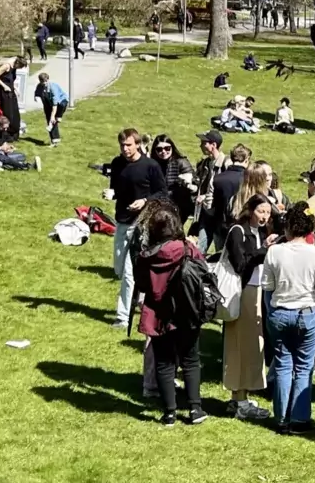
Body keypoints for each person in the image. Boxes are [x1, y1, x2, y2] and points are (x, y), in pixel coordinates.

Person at [134, 205, 208, 426]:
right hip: (187, 311)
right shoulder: (187, 248)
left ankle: (169, 413)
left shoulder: (146, 256)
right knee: (191, 360)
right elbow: (203, 272)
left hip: (158, 313)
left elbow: (142, 285)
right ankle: (195, 408)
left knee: (164, 364)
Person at [263, 202, 315, 433]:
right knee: (303, 367)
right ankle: (300, 419)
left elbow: (268, 285)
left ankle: (281, 419)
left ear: (288, 228)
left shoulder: (274, 251)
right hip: (307, 313)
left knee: (282, 365)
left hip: (281, 312)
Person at [107, 128, 168, 328]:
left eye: (129, 145)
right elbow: (116, 187)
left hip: (142, 222)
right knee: (118, 267)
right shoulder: (117, 164)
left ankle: (123, 317)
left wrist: (144, 201)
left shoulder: (150, 166)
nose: (125, 149)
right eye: (122, 145)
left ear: (138, 144)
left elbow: (162, 192)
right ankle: (141, 297)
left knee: (127, 272)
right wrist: (111, 193)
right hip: (122, 220)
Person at [223, 193, 277, 420]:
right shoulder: (238, 231)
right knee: (244, 345)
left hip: (256, 291)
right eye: (260, 211)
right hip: (243, 292)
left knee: (251, 345)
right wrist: (263, 250)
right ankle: (240, 399)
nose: (264, 216)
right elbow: (240, 263)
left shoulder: (258, 231)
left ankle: (239, 397)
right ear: (250, 210)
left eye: (267, 212)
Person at [203, 144, 250, 253]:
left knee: (221, 258)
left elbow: (208, 204)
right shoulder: (249, 179)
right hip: (243, 227)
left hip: (220, 226)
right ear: (247, 159)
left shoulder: (217, 178)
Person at [151, 135, 197, 222]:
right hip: (159, 204)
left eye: (167, 148)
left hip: (179, 205)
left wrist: (186, 182)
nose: (163, 151)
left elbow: (193, 183)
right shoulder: (153, 164)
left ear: (172, 148)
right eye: (159, 149)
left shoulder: (181, 162)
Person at [0, 54, 26, 142]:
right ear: (17, 63)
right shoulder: (6, 66)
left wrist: (16, 89)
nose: (19, 68)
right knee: (8, 113)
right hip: (4, 92)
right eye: (20, 67)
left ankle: (15, 134)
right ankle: (6, 136)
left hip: (11, 91)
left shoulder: (14, 67)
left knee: (15, 114)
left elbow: (11, 81)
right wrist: (4, 86)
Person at [33, 72, 68, 146]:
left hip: (60, 102)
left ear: (48, 79)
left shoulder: (53, 88)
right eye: (42, 82)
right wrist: (36, 97)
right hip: (47, 104)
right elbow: (36, 93)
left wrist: (53, 116)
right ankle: (54, 140)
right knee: (50, 121)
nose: (44, 83)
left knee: (54, 116)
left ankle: (59, 116)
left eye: (45, 81)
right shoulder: (39, 86)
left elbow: (55, 105)